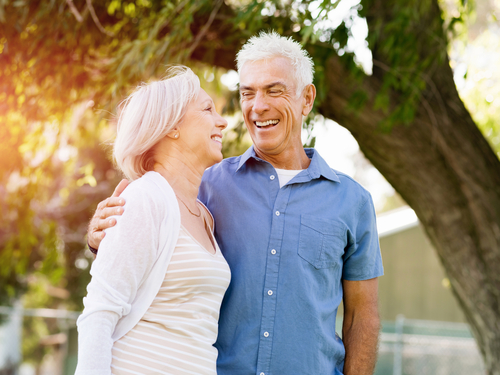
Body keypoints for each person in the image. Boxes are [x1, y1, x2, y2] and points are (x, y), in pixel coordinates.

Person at [87, 32, 384, 375]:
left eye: (274, 90)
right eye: (248, 93)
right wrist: (101, 238)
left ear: (306, 99)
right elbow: (143, 243)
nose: (258, 106)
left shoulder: (352, 202)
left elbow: (363, 316)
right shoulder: (205, 184)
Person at [76, 66, 230, 375]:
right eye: (207, 109)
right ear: (172, 126)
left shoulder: (205, 216)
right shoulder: (145, 199)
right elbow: (99, 311)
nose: (222, 121)